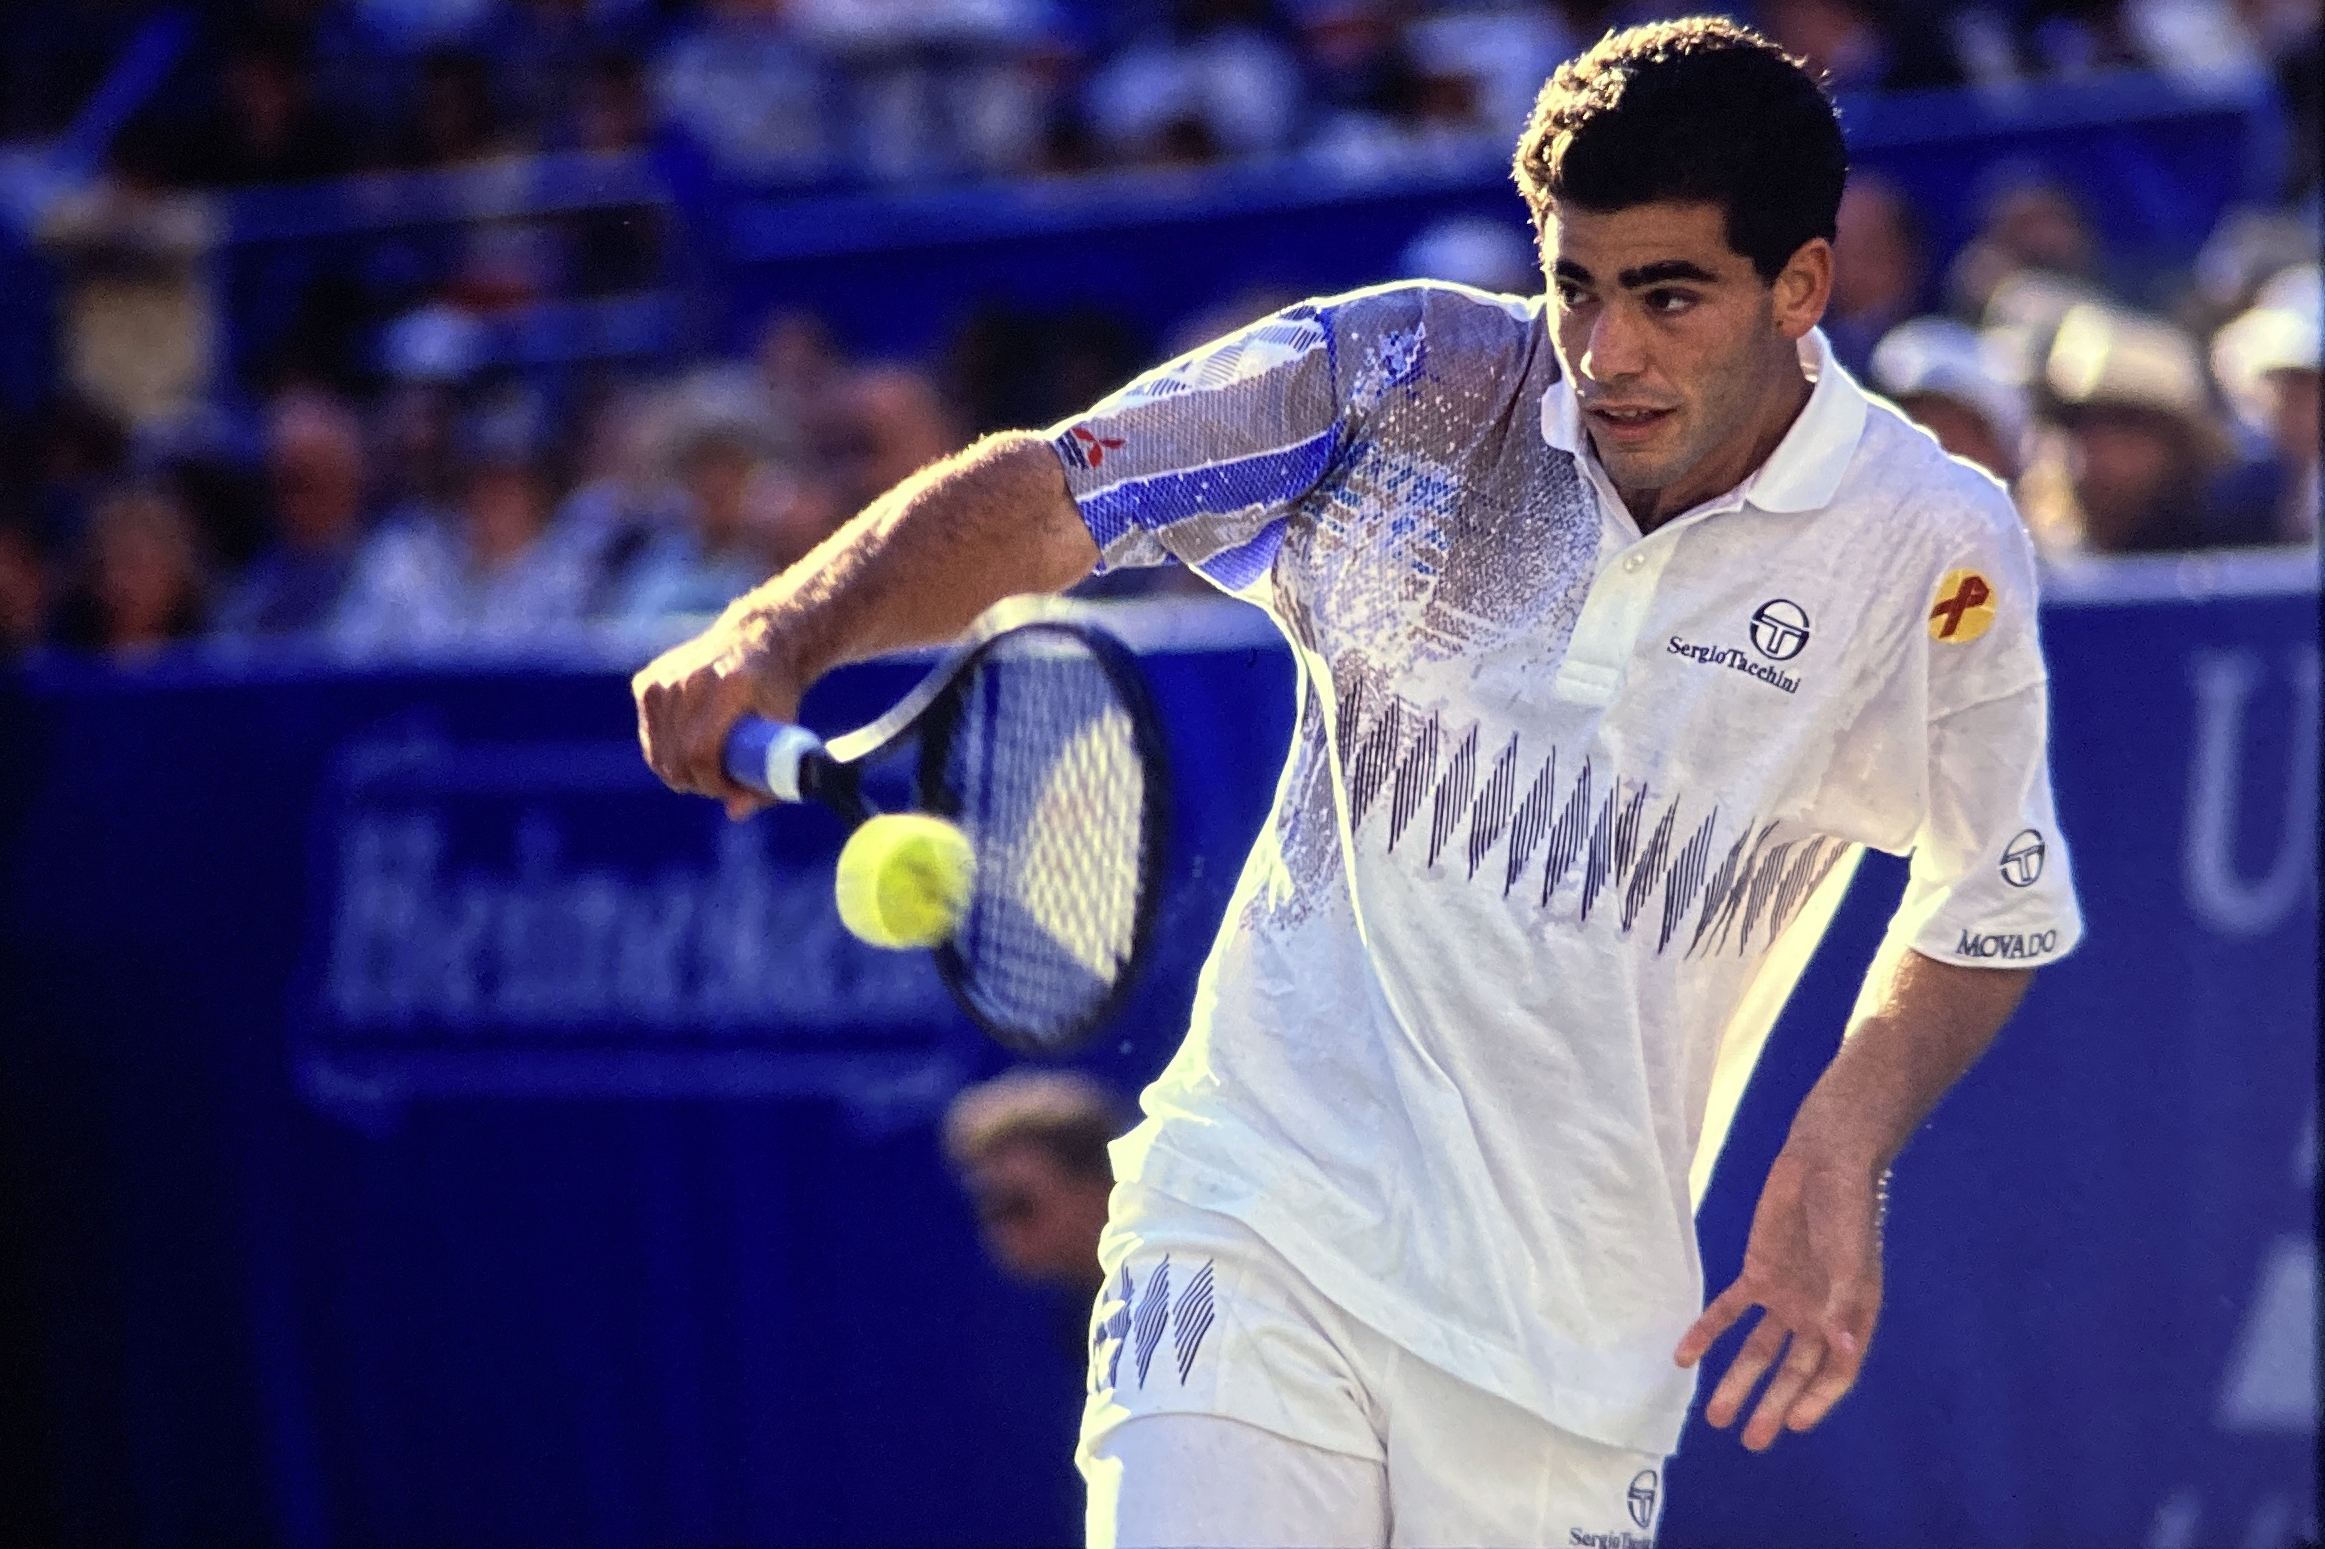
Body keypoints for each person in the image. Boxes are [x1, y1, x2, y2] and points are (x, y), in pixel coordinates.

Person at [632, 19, 2083, 1547]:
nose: (1607, 353)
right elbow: (1060, 491)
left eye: (1670, 297)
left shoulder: (1933, 542)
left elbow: (1991, 898)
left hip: (1571, 1354)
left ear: (1801, 285)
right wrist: (780, 630)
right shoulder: (1403, 374)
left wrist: (1841, 1138)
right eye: (1575, 286)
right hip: (1255, 1228)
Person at [943, 1069, 1128, 1302]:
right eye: (985, 1208)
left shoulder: (1175, 1271)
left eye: (1017, 1204)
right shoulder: (1082, 1306)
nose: (1002, 1228)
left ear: (1094, 1186)